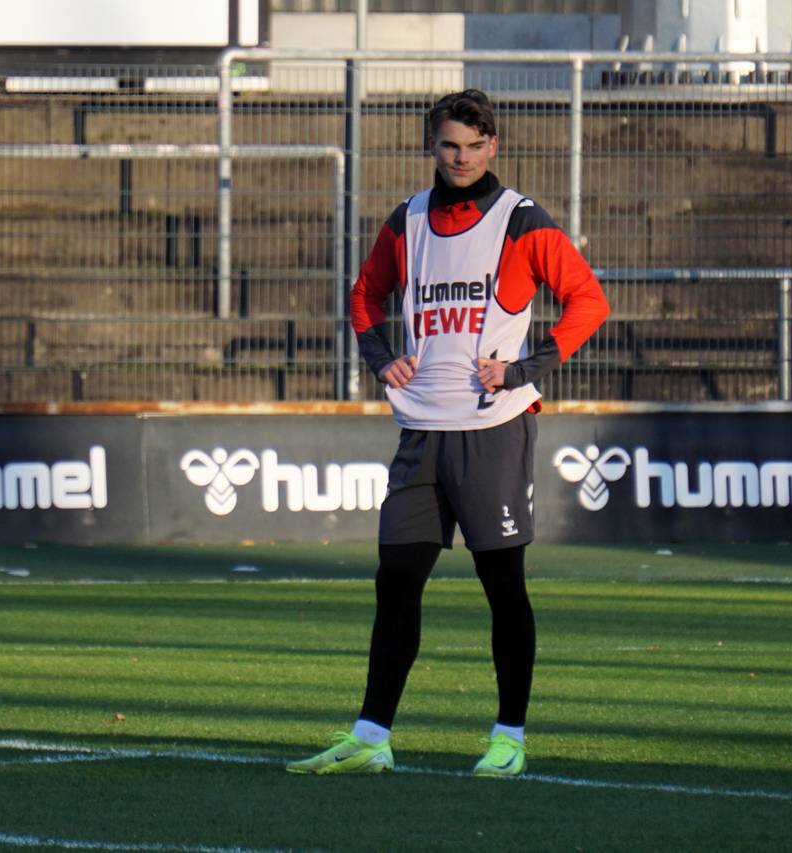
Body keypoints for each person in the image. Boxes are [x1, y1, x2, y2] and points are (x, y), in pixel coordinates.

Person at [287, 89, 609, 778]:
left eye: (473, 146)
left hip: (492, 428)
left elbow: (588, 300)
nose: (461, 158)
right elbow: (364, 296)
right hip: (421, 431)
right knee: (397, 580)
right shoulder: (407, 220)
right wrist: (382, 357)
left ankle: (509, 736)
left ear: (493, 146)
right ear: (430, 146)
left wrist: (523, 369)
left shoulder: (521, 220)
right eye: (449, 146)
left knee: (503, 585)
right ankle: (372, 736)